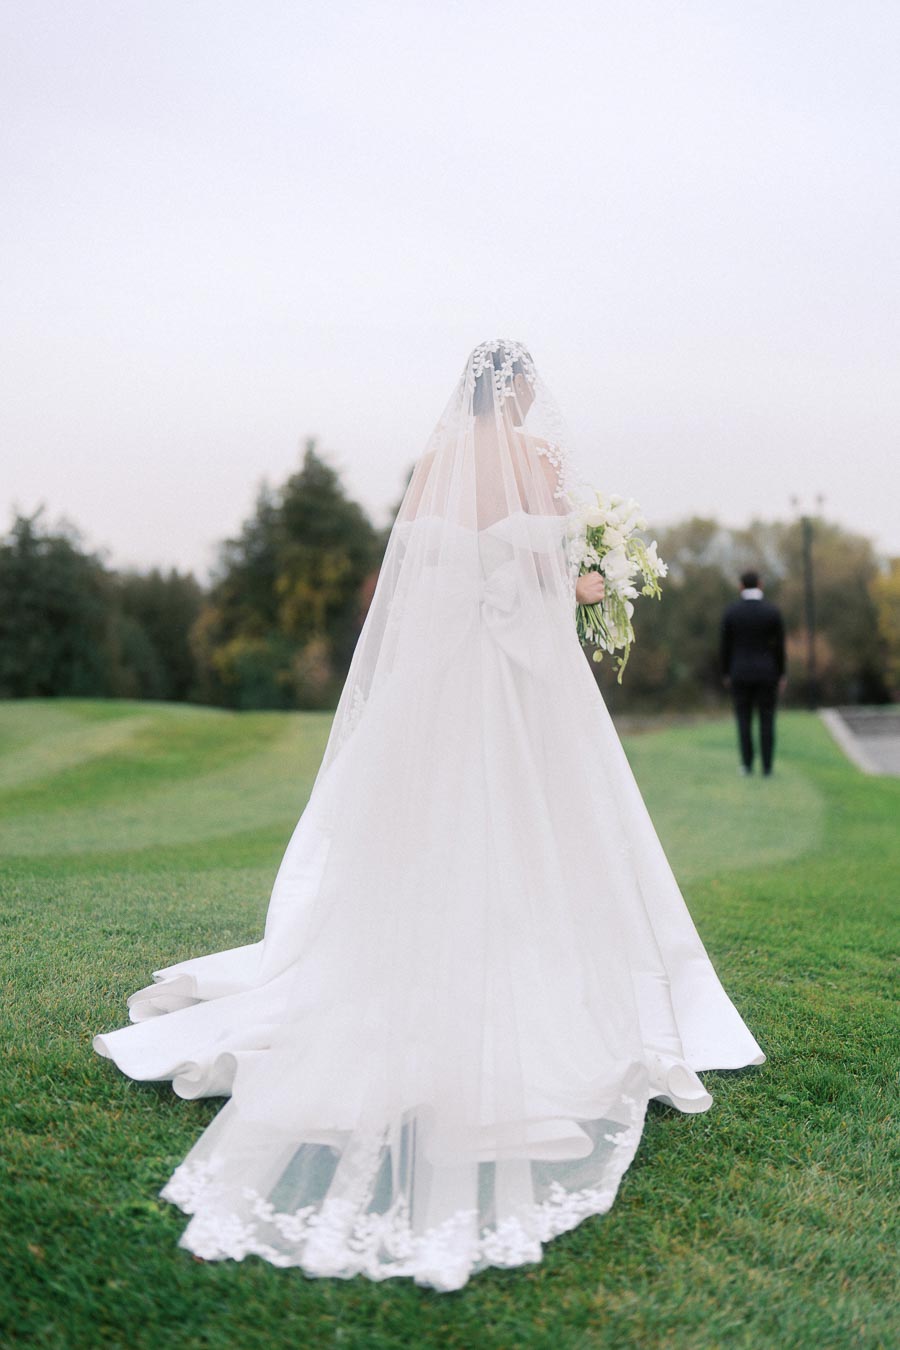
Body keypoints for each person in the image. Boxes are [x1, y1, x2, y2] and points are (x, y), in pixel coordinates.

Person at [94, 340, 764, 1292]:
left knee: (432, 832)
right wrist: (595, 584)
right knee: (543, 832)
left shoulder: (437, 467)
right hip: (522, 684)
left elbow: (415, 584)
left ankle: (417, 952)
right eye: (531, 385)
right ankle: (535, 968)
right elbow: (555, 574)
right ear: (520, 389)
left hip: (442, 684)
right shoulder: (537, 462)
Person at [720, 570, 787, 776]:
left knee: (744, 720)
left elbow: (724, 647)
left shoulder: (731, 612)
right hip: (767, 673)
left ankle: (747, 765)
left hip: (739, 672)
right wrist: (782, 673)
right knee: (767, 720)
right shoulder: (772, 612)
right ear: (760, 584)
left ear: (741, 586)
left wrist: (726, 672)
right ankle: (767, 767)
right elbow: (779, 647)